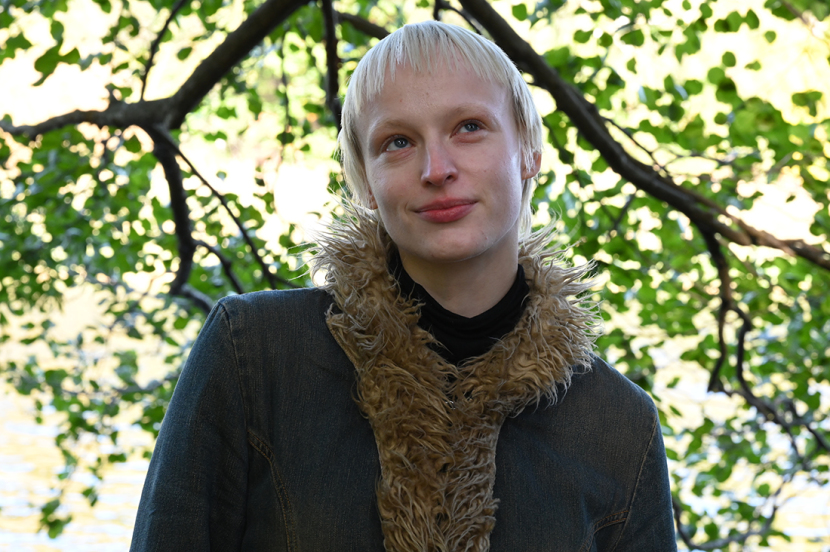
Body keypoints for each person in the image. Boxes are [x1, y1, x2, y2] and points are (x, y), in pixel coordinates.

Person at [130, 21, 676, 552]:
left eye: (469, 127)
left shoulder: (619, 425)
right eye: (397, 141)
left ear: (529, 152)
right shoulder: (253, 353)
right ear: (366, 182)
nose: (436, 169)